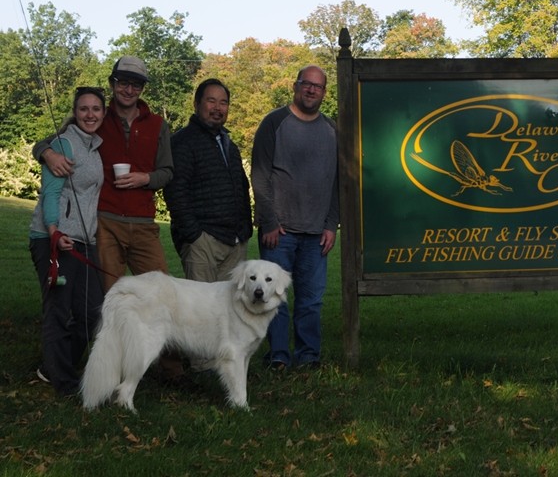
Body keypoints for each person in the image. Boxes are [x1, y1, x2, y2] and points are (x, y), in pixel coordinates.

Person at [35, 55, 183, 381]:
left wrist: (145, 178)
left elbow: (168, 172)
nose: (128, 89)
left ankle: (172, 369)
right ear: (113, 84)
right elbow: (55, 139)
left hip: (144, 223)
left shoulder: (158, 125)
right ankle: (111, 368)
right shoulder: (99, 118)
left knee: (162, 294)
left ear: (142, 88)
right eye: (122, 82)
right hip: (105, 222)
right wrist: (45, 152)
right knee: (110, 301)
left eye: (135, 84)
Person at [252, 65, 340, 370]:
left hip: (317, 233)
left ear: (324, 92)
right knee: (274, 298)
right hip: (281, 233)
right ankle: (278, 356)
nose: (312, 90)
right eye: (307, 84)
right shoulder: (274, 122)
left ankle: (308, 356)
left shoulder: (332, 130)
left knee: (311, 300)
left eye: (318, 86)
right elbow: (260, 176)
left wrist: (331, 225)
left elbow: (338, 182)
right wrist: (269, 222)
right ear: (296, 86)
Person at [28, 87, 107, 397]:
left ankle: (54, 366)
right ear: (75, 112)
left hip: (84, 241)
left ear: (103, 113)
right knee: (59, 310)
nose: (90, 114)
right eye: (84, 109)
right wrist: (53, 231)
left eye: (96, 109)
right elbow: (51, 193)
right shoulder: (64, 144)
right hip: (54, 239)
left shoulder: (95, 148)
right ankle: (64, 381)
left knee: (94, 311)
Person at [165, 79, 252, 282]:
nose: (218, 108)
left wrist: (245, 228)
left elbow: (241, 186)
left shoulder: (229, 144)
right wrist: (194, 235)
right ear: (196, 104)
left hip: (235, 241)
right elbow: (175, 192)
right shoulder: (182, 142)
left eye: (223, 103)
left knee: (229, 310)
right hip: (203, 242)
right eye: (211, 101)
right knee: (200, 310)